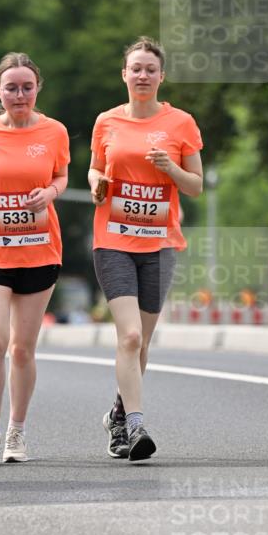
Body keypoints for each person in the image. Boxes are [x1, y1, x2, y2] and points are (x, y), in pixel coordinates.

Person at [89, 38, 203, 461]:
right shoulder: (107, 122)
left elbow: (195, 184)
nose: (142, 75)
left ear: (161, 77)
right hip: (114, 240)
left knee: (144, 342)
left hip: (159, 244)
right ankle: (136, 426)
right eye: (135, 68)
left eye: (149, 69)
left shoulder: (181, 123)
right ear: (124, 74)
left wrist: (169, 168)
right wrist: (96, 182)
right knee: (130, 335)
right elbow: (96, 167)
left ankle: (117, 415)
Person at [0, 51, 70, 463]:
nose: (19, 94)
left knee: (22, 348)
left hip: (40, 247)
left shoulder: (55, 132)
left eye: (27, 87)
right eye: (11, 88)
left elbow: (60, 174)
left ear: (37, 88)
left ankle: (16, 433)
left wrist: (52, 192)